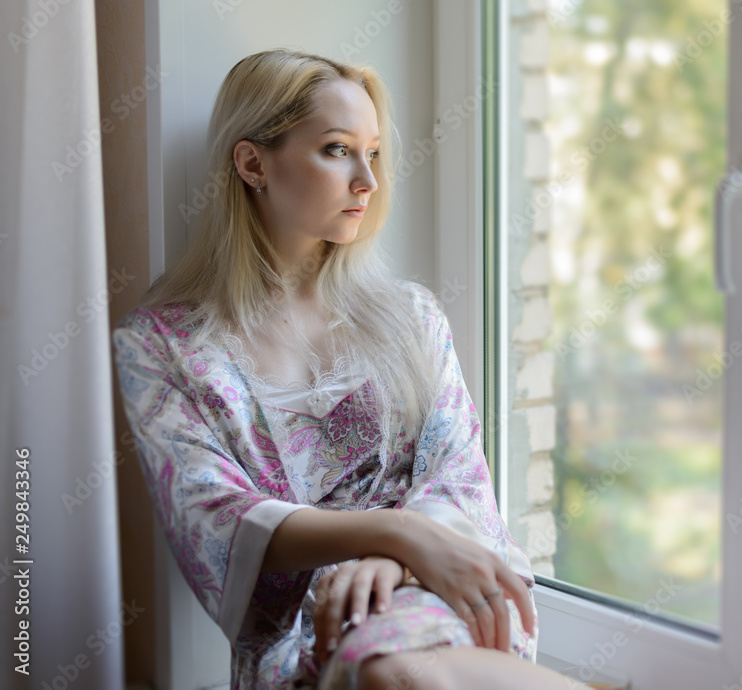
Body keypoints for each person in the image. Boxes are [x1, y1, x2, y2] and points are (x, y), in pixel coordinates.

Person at [112, 49, 573, 689]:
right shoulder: (160, 346)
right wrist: (397, 533)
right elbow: (214, 519)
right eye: (337, 150)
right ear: (252, 164)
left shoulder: (410, 316)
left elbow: (460, 479)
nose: (369, 181)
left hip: (442, 589)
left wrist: (405, 557)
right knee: (373, 667)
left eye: (373, 152)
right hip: (300, 635)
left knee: (390, 665)